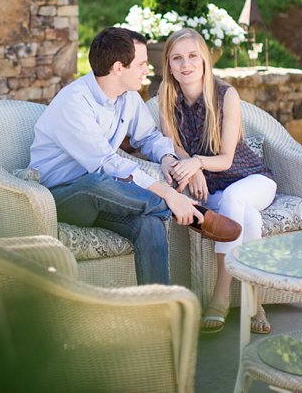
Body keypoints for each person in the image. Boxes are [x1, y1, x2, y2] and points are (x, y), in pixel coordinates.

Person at [28, 27, 204, 285]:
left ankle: (158, 304)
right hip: (62, 197)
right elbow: (106, 165)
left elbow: (148, 136)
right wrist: (169, 194)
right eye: (141, 64)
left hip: (109, 197)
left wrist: (167, 157)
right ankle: (180, 208)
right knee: (97, 182)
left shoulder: (128, 96)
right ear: (119, 67)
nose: (147, 70)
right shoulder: (74, 103)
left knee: (149, 224)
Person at [158, 28, 277, 334]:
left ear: (205, 60)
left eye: (192, 56)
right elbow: (173, 145)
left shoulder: (226, 95)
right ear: (169, 64)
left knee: (236, 201)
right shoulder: (166, 96)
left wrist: (197, 162)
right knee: (248, 220)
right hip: (214, 189)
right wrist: (193, 168)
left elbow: (225, 159)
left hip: (253, 180)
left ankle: (220, 296)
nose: (186, 64)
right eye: (177, 58)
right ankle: (256, 304)